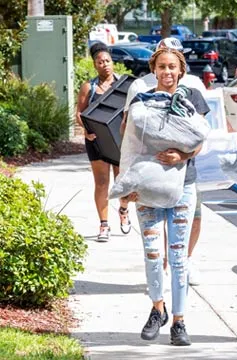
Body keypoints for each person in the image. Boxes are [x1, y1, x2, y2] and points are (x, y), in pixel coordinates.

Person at [124, 47, 210, 346]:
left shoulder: (191, 98)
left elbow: (200, 139)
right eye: (161, 67)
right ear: (154, 70)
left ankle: (179, 321)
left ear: (181, 69)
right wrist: (126, 188)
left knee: (177, 256)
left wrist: (182, 155)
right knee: (152, 254)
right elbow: (129, 145)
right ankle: (157, 308)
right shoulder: (141, 102)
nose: (167, 72)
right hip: (147, 187)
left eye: (172, 66)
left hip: (183, 185)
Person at [76, 42, 131, 242]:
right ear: (94, 65)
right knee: (101, 183)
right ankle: (104, 225)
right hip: (96, 141)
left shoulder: (123, 85)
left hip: (119, 142)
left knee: (122, 182)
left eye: (107, 61)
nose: (105, 64)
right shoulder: (88, 87)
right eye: (100, 62)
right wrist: (86, 131)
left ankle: (123, 209)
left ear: (112, 62)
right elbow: (79, 114)